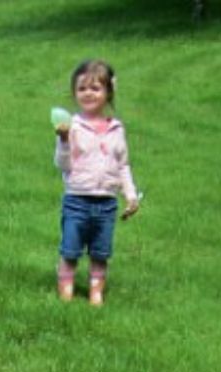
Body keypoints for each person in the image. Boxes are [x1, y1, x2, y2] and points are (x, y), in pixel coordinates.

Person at [54, 59, 139, 306]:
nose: (88, 93)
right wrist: (63, 141)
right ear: (74, 93)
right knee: (70, 250)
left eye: (95, 88)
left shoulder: (116, 129)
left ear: (108, 92)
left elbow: (123, 165)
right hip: (77, 200)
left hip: (106, 204)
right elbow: (62, 165)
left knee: (100, 253)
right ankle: (66, 293)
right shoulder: (72, 127)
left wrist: (131, 195)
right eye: (82, 88)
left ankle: (96, 294)